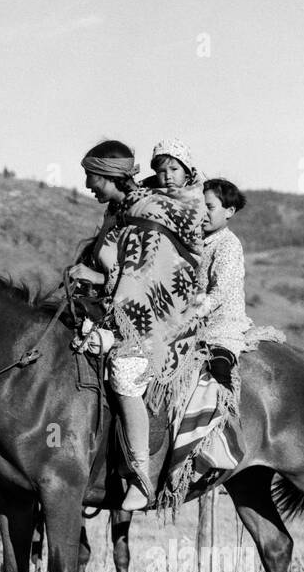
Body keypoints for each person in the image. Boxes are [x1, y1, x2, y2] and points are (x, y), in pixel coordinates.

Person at [67, 139, 206, 509]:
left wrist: (105, 294)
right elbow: (115, 267)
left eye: (90, 177)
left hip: (158, 318)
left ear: (107, 175)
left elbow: (148, 275)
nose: (87, 186)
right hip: (119, 306)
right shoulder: (120, 210)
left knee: (124, 370)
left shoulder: (153, 210)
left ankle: (141, 476)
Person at [194, 178, 252, 390]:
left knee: (218, 368)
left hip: (221, 324)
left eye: (209, 207)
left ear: (229, 211)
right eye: (199, 206)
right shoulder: (195, 242)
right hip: (191, 323)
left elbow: (220, 291)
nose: (203, 212)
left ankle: (226, 418)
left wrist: (194, 312)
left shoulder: (228, 244)